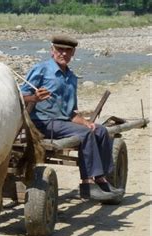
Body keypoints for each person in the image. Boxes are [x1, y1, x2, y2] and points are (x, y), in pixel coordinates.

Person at [20, 34, 123, 201]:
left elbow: (71, 113)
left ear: (73, 53)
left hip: (62, 123)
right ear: (52, 51)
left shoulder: (71, 77)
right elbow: (20, 96)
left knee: (100, 131)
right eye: (60, 50)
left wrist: (87, 123)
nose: (63, 54)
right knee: (85, 135)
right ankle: (87, 184)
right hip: (42, 122)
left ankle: (102, 180)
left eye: (68, 51)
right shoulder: (41, 69)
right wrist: (35, 98)